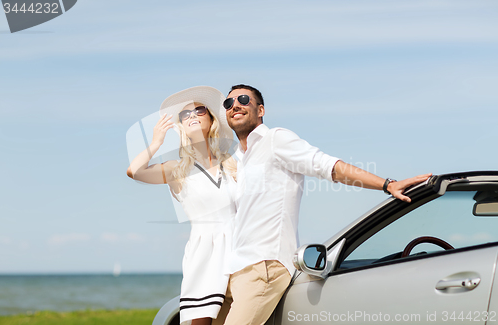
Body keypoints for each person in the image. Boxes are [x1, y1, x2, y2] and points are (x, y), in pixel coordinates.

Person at [215, 84, 432, 325]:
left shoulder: (275, 139)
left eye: (243, 100)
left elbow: (327, 167)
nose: (234, 105)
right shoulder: (239, 160)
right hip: (232, 270)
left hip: (262, 267)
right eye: (228, 103)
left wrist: (386, 184)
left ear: (261, 110)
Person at [127, 86, 237, 325]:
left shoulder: (231, 165)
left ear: (211, 119)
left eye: (199, 110)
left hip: (239, 253)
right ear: (180, 126)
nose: (192, 116)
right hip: (205, 257)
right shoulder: (177, 169)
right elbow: (134, 171)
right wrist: (156, 142)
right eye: (185, 115)